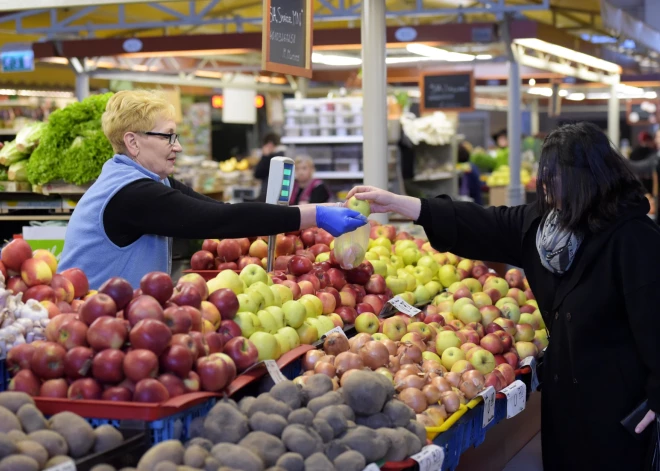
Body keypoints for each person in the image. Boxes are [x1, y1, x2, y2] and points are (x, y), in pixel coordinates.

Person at [347, 122, 659, 471]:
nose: (544, 184)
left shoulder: (634, 238)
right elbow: (483, 222)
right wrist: (400, 204)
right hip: (566, 403)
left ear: (583, 178)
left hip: (618, 406)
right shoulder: (547, 227)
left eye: (554, 176)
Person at [58, 91, 366, 289]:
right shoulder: (131, 194)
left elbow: (222, 211)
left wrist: (326, 211)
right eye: (167, 137)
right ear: (133, 142)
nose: (177, 146)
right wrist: (316, 214)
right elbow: (220, 221)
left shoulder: (151, 181)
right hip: (91, 327)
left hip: (120, 321)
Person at [253, 133, 285, 201]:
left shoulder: (274, 159)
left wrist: (265, 156)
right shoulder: (281, 156)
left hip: (269, 195)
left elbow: (257, 174)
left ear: (269, 144)